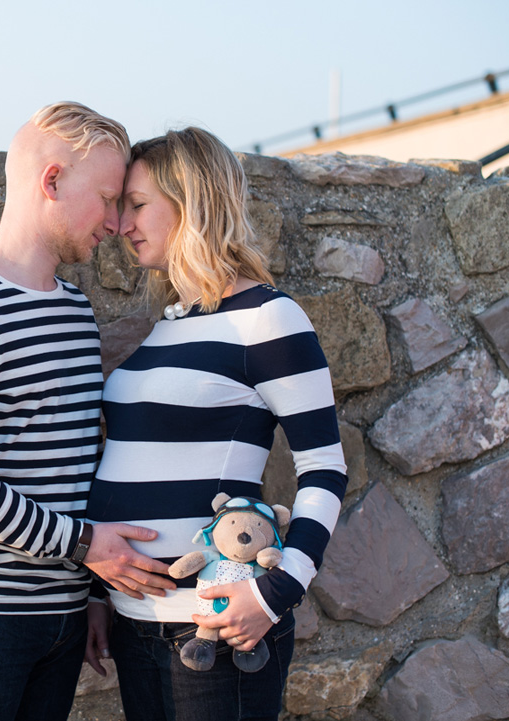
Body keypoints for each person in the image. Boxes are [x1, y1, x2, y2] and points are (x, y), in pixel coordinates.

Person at [0, 102, 175, 721]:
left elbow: (79, 461)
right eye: (108, 198)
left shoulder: (77, 312)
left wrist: (90, 595)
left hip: (63, 614)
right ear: (51, 181)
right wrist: (87, 548)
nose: (114, 222)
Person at [85, 127, 348, 720]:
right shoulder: (169, 323)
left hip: (217, 629)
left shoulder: (269, 319)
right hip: (137, 624)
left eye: (138, 204)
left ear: (194, 202)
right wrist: (102, 596)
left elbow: (325, 468)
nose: (122, 224)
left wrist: (278, 591)